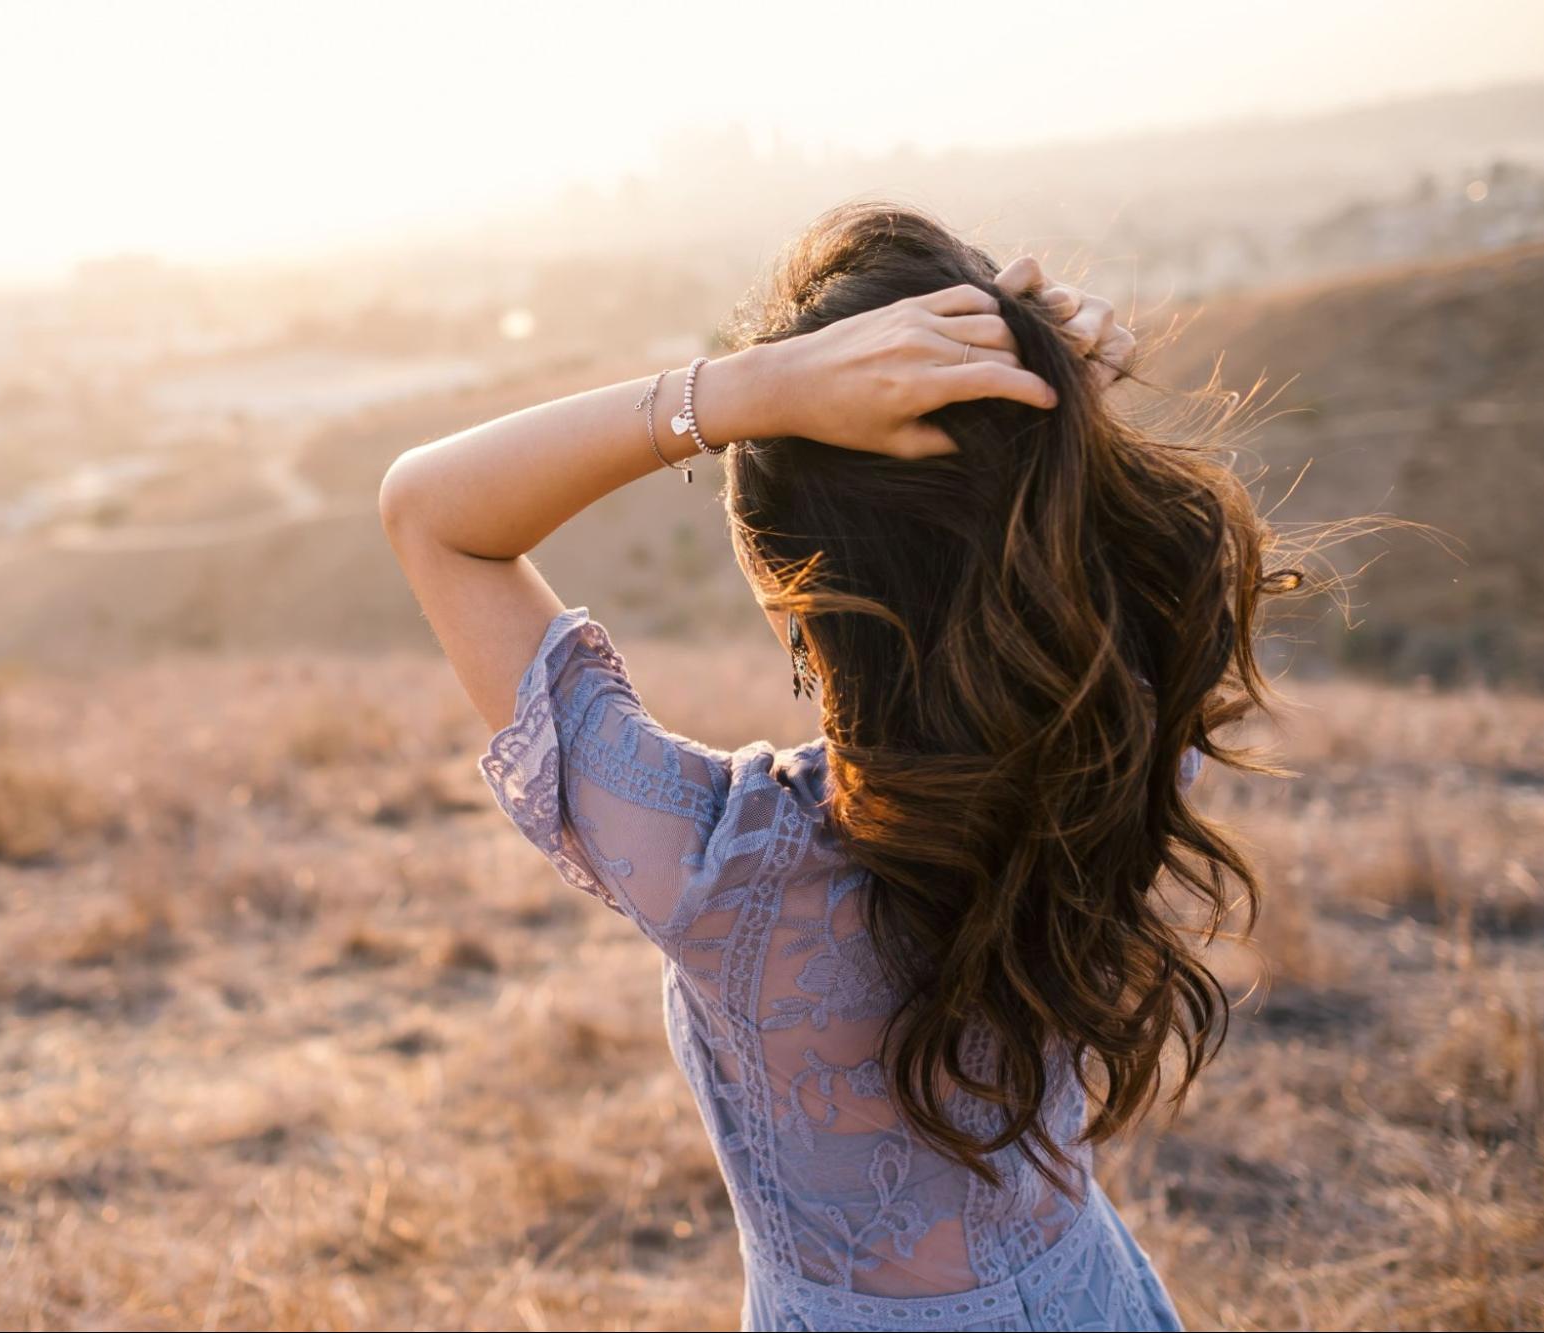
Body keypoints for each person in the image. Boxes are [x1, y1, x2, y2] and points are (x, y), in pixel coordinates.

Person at [379, 201, 1295, 1332]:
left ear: (785, 585)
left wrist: (738, 392)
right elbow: (1116, 571)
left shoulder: (720, 872)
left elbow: (430, 511)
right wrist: (1061, 404)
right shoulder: (1122, 744)